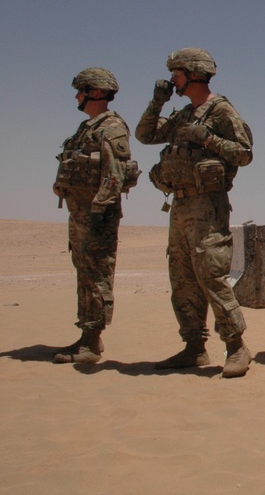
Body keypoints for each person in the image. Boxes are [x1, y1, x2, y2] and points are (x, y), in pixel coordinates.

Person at [136, 48, 254, 378]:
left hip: (207, 206)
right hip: (180, 204)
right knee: (183, 277)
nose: (172, 79)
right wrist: (157, 103)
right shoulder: (182, 114)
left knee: (211, 275)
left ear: (193, 73)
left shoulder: (220, 111)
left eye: (176, 73)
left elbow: (243, 153)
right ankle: (194, 347)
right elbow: (145, 135)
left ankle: (236, 347)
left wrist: (207, 137)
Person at [52, 68, 138, 364]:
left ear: (97, 93)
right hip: (81, 214)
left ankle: (91, 340)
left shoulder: (111, 127)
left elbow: (114, 175)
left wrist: (100, 209)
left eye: (82, 90)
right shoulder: (86, 127)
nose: (78, 96)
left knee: (97, 277)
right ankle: (87, 336)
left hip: (97, 216)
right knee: (85, 275)